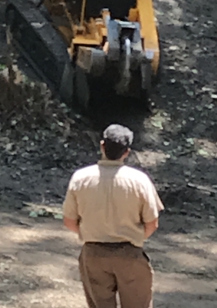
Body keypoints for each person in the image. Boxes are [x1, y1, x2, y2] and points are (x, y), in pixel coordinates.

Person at [62, 123, 164, 308]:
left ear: (102, 145)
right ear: (127, 152)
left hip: (93, 254)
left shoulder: (80, 178)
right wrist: (136, 239)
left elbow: (69, 221)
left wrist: (87, 233)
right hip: (130, 254)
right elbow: (152, 223)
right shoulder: (140, 180)